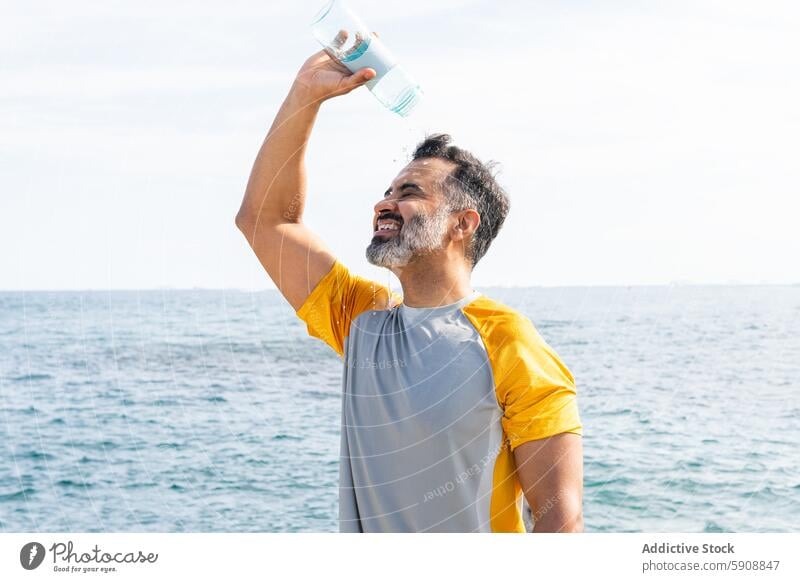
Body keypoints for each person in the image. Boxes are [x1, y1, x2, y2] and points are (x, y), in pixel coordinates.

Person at [235, 49, 584, 533]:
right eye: (388, 191)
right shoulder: (362, 320)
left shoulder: (510, 343)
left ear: (462, 224)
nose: (384, 203)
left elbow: (560, 521)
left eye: (410, 193)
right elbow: (265, 221)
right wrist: (305, 96)